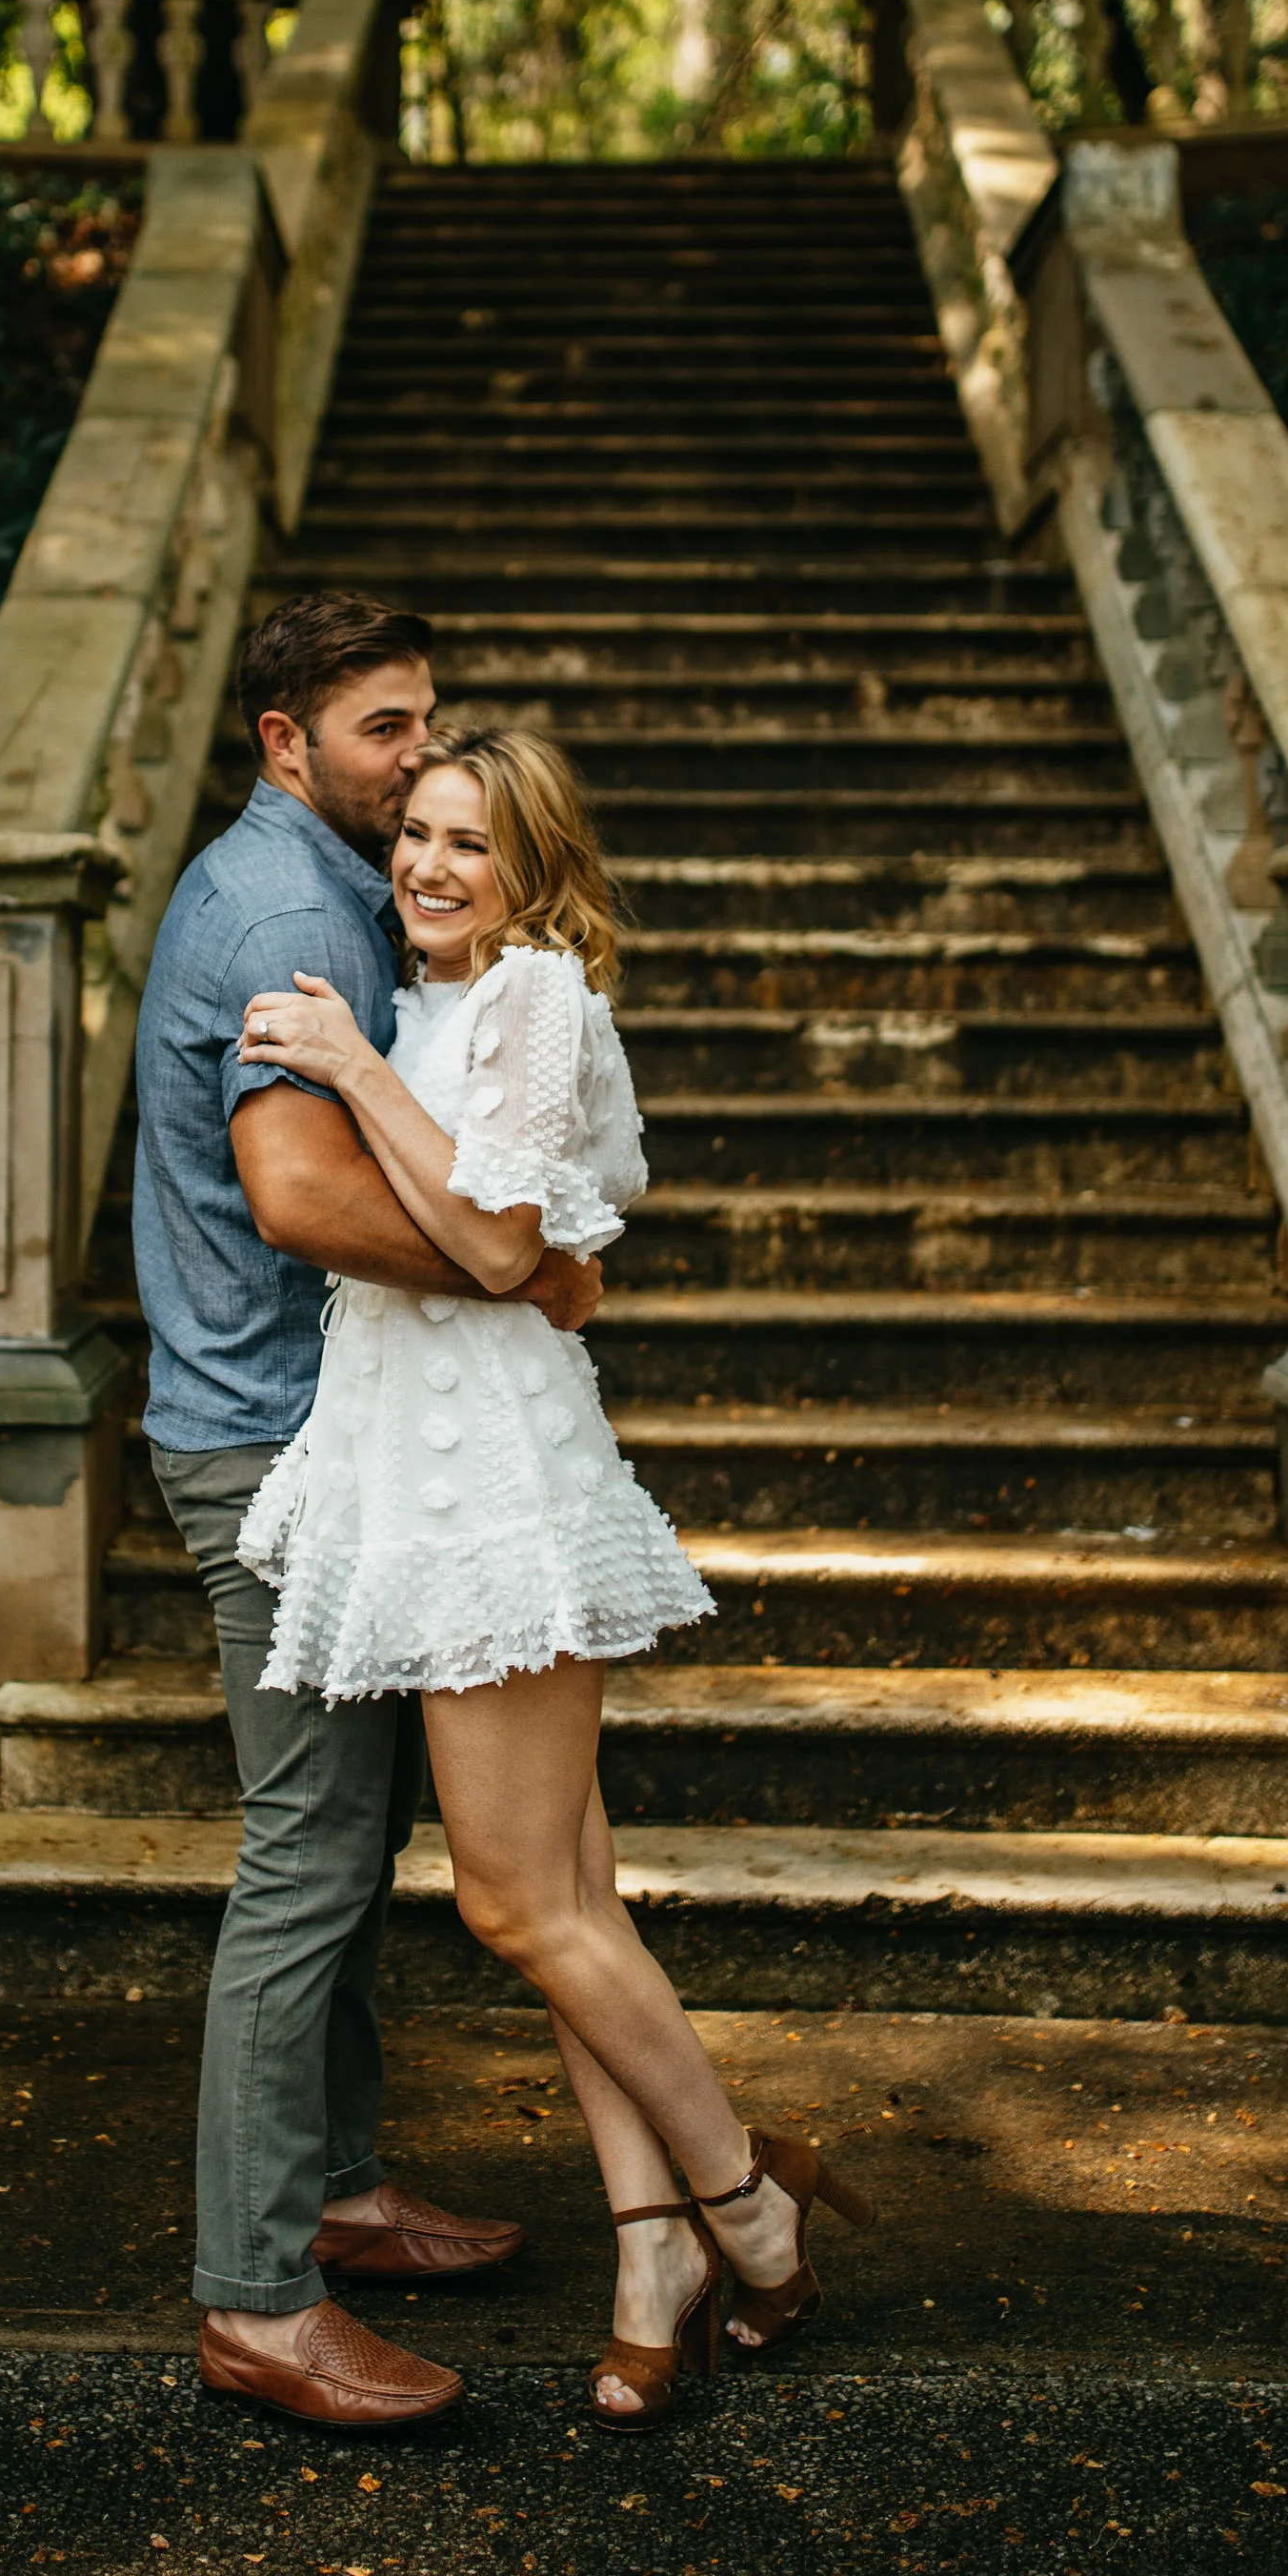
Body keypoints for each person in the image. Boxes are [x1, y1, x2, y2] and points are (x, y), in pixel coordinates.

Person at [235, 721, 876, 2432]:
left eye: (471, 844)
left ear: (530, 872)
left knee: (517, 1904)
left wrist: (353, 1073)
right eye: (418, 836)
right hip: (416, 1454)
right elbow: (528, 1248)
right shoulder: (441, 1003)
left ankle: (749, 2195)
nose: (430, 867)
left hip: (491, 1480)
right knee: (570, 1905)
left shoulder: (532, 999)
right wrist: (381, 1059)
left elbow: (512, 1246)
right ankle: (653, 2245)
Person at [133, 593, 610, 2431]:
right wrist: (523, 1274)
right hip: (266, 1448)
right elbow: (298, 1198)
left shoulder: (336, 883)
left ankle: (336, 2196)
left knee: (348, 1836)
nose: (422, 758)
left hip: (314, 1436)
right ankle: (257, 2304)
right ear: (284, 741)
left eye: (429, 722)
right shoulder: (279, 906)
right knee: (308, 1861)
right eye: (385, 730)